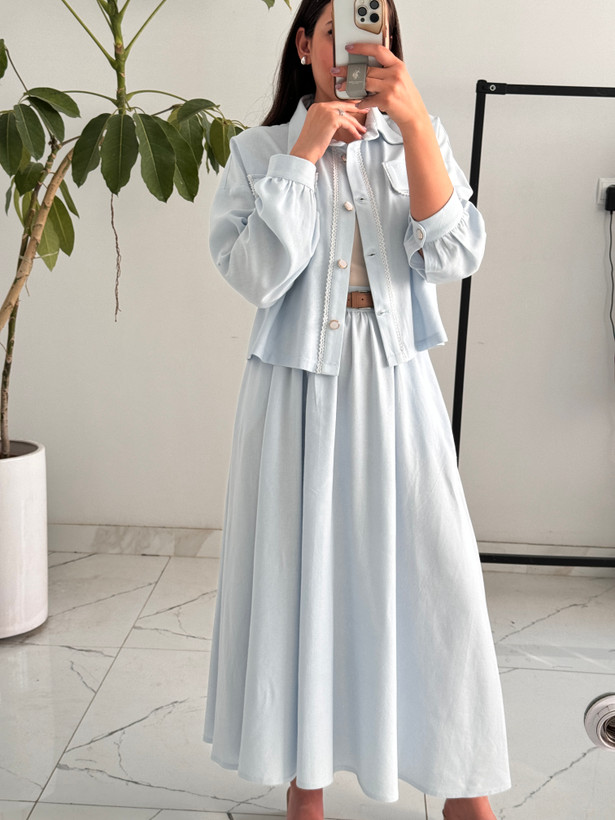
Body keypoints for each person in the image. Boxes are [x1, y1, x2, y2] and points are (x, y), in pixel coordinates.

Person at [202, 2, 511, 819]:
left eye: (373, 29)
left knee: (436, 578)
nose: (354, 47)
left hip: (394, 375)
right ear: (304, 43)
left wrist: (410, 126)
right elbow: (257, 276)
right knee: (298, 573)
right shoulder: (257, 151)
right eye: (336, 29)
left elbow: (454, 254)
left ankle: (461, 786)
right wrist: (302, 156)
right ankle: (305, 781)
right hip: (293, 385)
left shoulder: (419, 135)